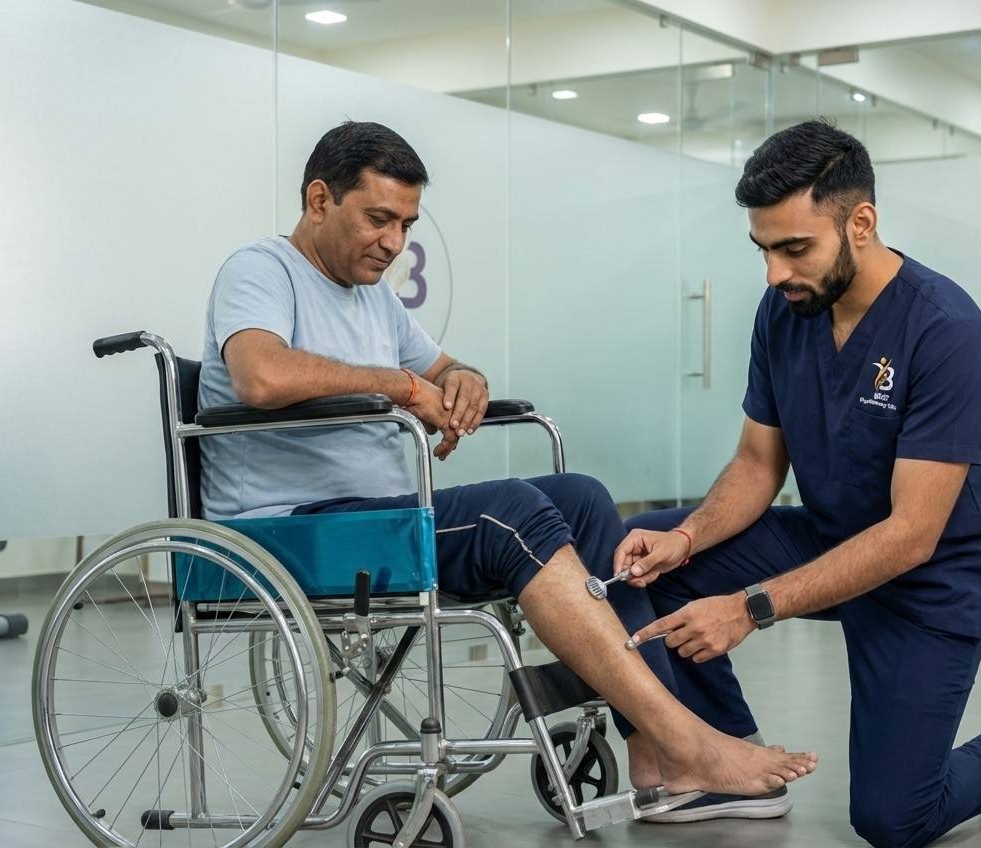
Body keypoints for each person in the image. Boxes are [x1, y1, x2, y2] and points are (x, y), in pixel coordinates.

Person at [196, 120, 818, 801]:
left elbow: (442, 365)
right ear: (319, 200)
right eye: (378, 219)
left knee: (581, 495)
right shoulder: (260, 269)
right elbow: (261, 377)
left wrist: (467, 379)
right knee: (511, 515)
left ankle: (651, 751)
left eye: (406, 225)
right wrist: (400, 385)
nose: (394, 243)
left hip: (376, 523)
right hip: (289, 532)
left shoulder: (372, 294)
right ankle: (687, 742)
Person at [600, 120, 981, 842]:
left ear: (861, 223)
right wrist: (684, 538)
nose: (775, 273)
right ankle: (727, 755)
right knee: (644, 564)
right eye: (764, 250)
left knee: (892, 819)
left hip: (930, 579)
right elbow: (757, 465)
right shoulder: (784, 313)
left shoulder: (946, 330)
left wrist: (747, 608)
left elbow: (911, 535)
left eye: (794, 248)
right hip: (824, 536)